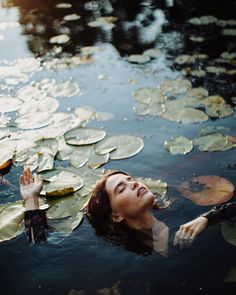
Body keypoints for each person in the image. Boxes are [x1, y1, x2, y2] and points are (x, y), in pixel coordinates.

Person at [20, 168, 236, 256]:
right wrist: (31, 199)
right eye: (122, 188)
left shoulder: (181, 213)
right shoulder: (122, 252)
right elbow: (40, 242)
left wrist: (208, 217)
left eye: (131, 180)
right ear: (116, 215)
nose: (134, 184)